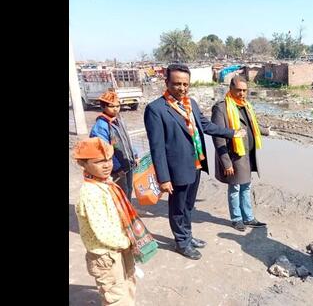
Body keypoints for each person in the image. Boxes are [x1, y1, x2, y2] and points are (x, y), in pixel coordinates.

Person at [144, 63, 246, 260]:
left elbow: (206, 126)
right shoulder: (156, 109)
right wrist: (163, 178)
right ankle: (181, 243)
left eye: (185, 84)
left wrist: (232, 133)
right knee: (177, 207)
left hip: (196, 165)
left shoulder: (191, 103)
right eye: (177, 84)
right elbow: (157, 148)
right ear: (166, 82)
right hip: (176, 168)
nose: (182, 88)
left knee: (189, 205)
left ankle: (188, 236)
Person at [73, 137, 137, 305]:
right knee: (115, 295)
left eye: (109, 159)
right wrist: (127, 241)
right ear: (83, 164)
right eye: (99, 161)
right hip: (106, 254)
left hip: (119, 247)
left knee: (128, 283)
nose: (107, 165)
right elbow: (103, 232)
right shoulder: (90, 193)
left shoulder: (105, 183)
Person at [211, 76, 274, 231]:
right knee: (235, 188)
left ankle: (249, 217)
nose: (242, 93)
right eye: (238, 90)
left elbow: (253, 125)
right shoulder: (221, 108)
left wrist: (266, 131)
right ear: (230, 89)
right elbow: (218, 137)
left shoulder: (245, 105)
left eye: (244, 90)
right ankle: (237, 219)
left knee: (246, 186)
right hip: (234, 156)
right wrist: (226, 162)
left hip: (247, 154)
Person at [90, 90, 138, 200]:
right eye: (112, 106)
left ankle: (127, 213)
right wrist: (116, 168)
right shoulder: (101, 126)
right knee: (119, 192)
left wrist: (134, 155)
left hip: (127, 162)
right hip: (115, 167)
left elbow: (127, 139)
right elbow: (103, 150)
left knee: (129, 189)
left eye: (118, 106)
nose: (116, 109)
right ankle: (120, 216)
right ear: (103, 106)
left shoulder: (119, 120)